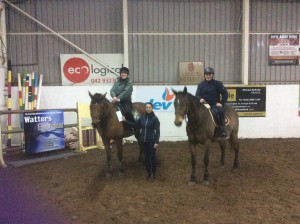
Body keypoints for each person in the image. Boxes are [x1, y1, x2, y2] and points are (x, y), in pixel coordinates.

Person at [122, 102, 160, 181]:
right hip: (144, 141)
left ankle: (153, 173)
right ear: (145, 109)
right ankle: (149, 173)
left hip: (151, 141)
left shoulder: (155, 119)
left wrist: (156, 142)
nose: (148, 109)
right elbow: (135, 125)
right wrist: (125, 121)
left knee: (152, 158)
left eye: (149, 107)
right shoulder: (142, 118)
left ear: (152, 108)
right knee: (146, 158)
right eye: (147, 107)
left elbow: (157, 131)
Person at [195, 67, 228, 138]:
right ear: (204, 75)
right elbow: (197, 95)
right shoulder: (200, 85)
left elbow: (225, 94)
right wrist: (200, 98)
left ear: (212, 75)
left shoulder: (218, 84)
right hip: (204, 105)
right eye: (206, 74)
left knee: (220, 112)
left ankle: (222, 130)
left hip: (214, 105)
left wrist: (221, 103)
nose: (208, 76)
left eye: (210, 74)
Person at [110, 66, 135, 133]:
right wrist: (114, 96)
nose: (124, 74)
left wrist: (117, 98)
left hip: (126, 101)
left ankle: (131, 128)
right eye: (122, 73)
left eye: (125, 73)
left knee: (127, 112)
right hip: (116, 100)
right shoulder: (117, 82)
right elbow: (112, 90)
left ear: (127, 74)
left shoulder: (129, 83)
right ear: (120, 74)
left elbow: (126, 92)